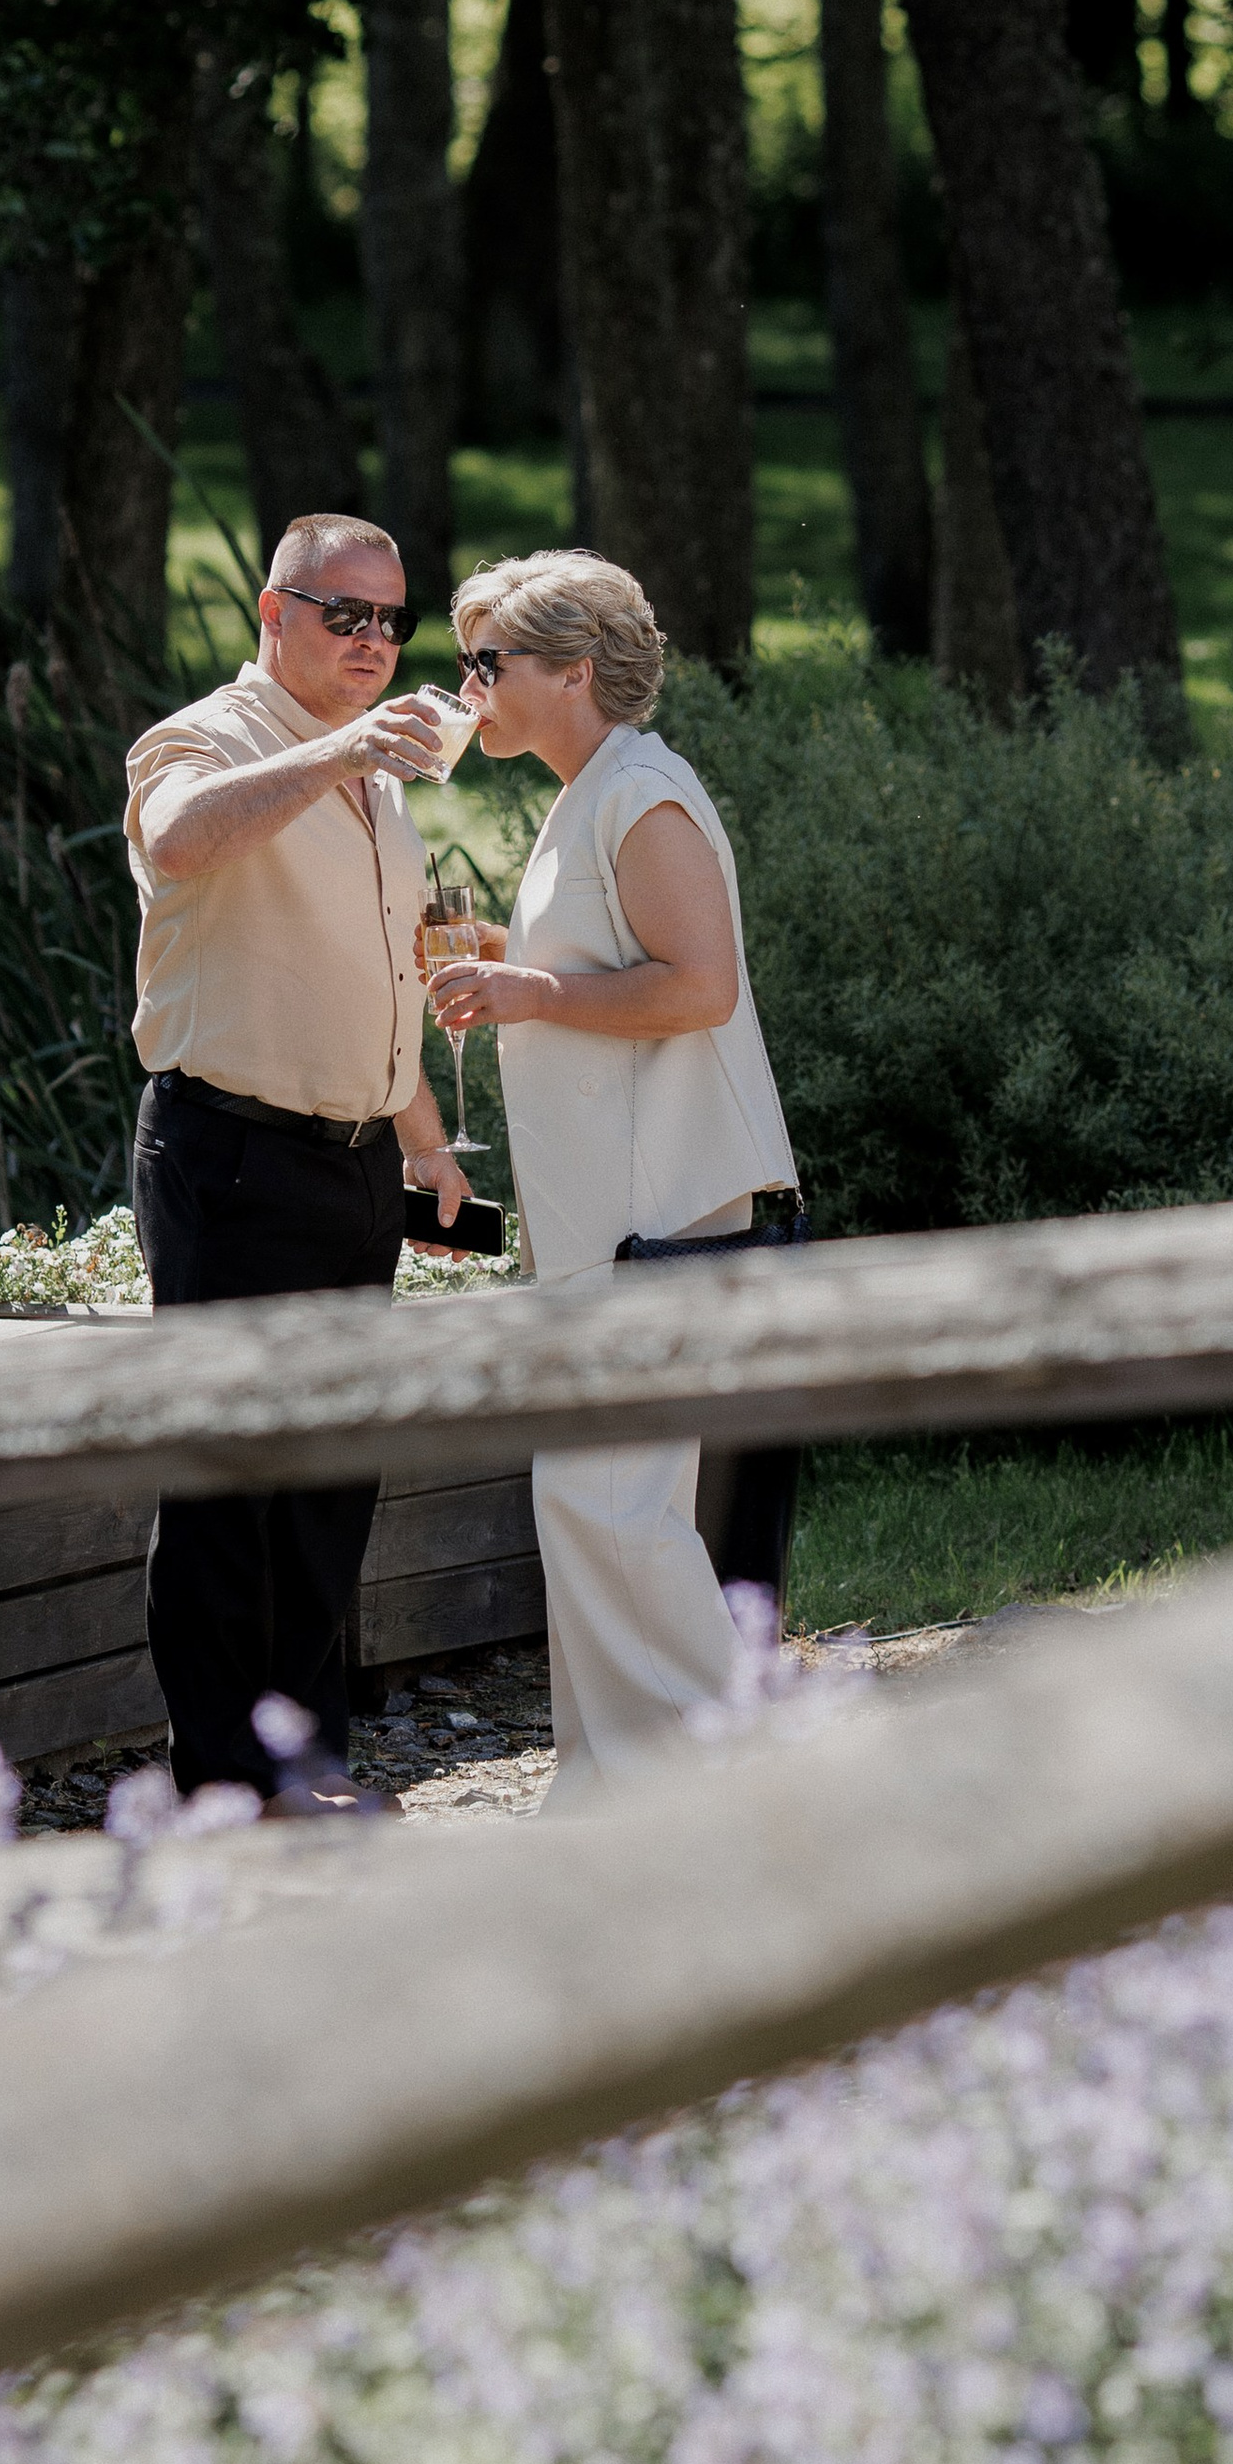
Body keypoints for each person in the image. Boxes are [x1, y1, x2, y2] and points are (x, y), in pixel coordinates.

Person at [426, 549, 797, 1803]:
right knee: (590, 1498)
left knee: (611, 1503)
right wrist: (508, 960)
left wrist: (531, 987)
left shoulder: (641, 791)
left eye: (490, 663)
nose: (467, 684)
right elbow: (605, 969)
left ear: (574, 672)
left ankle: (725, 1786)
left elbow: (701, 986)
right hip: (611, 1217)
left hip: (662, 1213)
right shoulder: (590, 790)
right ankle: (608, 1788)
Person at [124, 511, 469, 1803]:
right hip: (231, 1154)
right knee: (226, 1483)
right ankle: (225, 1787)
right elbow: (177, 839)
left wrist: (427, 1143)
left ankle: (311, 1765)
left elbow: (373, 978)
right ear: (275, 615)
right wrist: (335, 752)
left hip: (357, 1160)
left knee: (332, 1478)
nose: (375, 641)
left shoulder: (377, 775)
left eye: (392, 619)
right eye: (346, 614)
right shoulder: (209, 737)